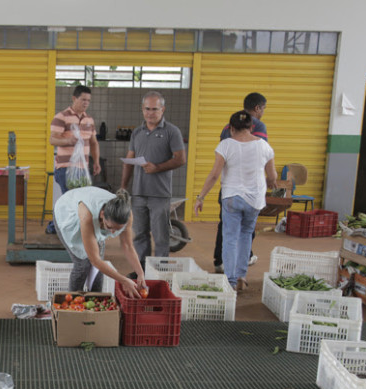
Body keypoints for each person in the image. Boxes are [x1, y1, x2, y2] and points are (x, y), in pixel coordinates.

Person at [194, 111, 277, 291]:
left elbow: (215, 174)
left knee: (230, 238)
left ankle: (231, 280)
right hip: (254, 200)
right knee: (246, 235)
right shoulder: (264, 146)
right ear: (251, 127)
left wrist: (200, 197)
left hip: (232, 197)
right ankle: (241, 276)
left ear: (231, 128)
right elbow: (272, 176)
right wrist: (270, 183)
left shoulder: (226, 145)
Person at [120, 91, 186, 269]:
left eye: (154, 109)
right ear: (142, 109)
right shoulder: (137, 133)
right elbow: (129, 160)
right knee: (140, 234)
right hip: (138, 193)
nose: (150, 113)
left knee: (161, 236)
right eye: (147, 109)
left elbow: (180, 159)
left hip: (160, 194)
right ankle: (142, 271)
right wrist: (124, 187)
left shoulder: (172, 131)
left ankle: (160, 271)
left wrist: (158, 167)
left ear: (162, 109)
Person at [54, 186, 145, 298]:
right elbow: (95, 260)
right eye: (110, 227)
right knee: (83, 264)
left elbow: (128, 246)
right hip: (68, 213)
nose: (112, 233)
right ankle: (73, 304)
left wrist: (140, 273)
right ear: (102, 215)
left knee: (97, 270)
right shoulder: (87, 215)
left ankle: (96, 301)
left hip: (93, 212)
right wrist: (124, 280)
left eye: (117, 229)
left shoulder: (126, 214)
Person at [213, 92, 268, 273]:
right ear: (257, 108)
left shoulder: (227, 127)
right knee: (246, 231)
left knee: (227, 228)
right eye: (263, 109)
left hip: (229, 189)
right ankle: (240, 270)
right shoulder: (258, 127)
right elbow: (262, 159)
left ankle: (221, 262)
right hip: (251, 190)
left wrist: (202, 196)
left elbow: (219, 166)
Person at [46, 85, 101, 235]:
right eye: (83, 99)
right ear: (74, 98)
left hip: (82, 169)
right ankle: (57, 228)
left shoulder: (89, 119)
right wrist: (68, 141)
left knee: (77, 201)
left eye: (88, 100)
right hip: (66, 167)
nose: (86, 103)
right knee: (71, 201)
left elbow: (94, 142)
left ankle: (57, 227)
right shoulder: (61, 117)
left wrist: (96, 162)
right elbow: (52, 140)